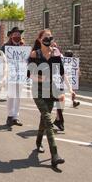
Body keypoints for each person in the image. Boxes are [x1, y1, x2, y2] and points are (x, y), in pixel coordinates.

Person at [28, 29, 65, 169]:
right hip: (38, 90)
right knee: (49, 121)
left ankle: (38, 141)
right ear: (39, 39)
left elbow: (61, 72)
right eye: (45, 37)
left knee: (44, 118)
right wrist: (40, 78)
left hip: (51, 90)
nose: (48, 39)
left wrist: (58, 54)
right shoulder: (34, 54)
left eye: (50, 37)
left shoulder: (55, 53)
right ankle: (54, 155)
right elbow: (29, 74)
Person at [1, 27, 26, 127]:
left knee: (18, 96)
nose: (17, 36)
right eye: (15, 35)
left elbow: (26, 59)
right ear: (11, 36)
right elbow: (1, 60)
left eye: (19, 35)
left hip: (20, 74)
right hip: (10, 74)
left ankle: (15, 116)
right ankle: (10, 116)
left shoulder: (23, 46)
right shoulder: (5, 47)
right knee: (11, 95)